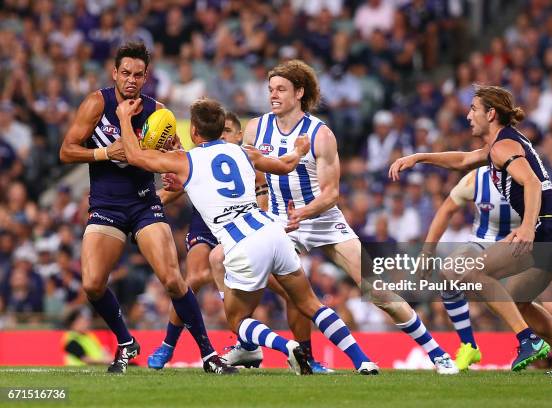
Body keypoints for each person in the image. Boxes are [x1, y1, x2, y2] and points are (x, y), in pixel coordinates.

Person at [219, 59, 458, 374]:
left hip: (323, 220)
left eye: (281, 89)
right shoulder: (255, 128)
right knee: (281, 292)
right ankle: (300, 359)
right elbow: (253, 178)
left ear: (299, 92)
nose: (273, 95)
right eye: (270, 89)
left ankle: (438, 354)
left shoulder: (320, 134)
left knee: (378, 290)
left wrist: (302, 213)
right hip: (280, 222)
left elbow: (331, 193)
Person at [118, 97, 379, 375]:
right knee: (310, 303)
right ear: (222, 129)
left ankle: (286, 347)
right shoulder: (244, 152)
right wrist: (300, 149)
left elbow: (134, 156)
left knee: (237, 319)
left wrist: (124, 117)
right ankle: (362, 360)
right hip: (271, 230)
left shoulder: (184, 160)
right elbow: (286, 164)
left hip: (241, 243)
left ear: (194, 132)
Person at [389, 84, 552, 375]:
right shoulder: (498, 145)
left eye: (474, 109)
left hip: (548, 225)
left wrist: (527, 227)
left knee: (474, 272)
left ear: (491, 113)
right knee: (519, 301)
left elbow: (533, 183)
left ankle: (528, 341)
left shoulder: (502, 147)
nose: (468, 115)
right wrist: (420, 157)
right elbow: (461, 160)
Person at [59, 42, 234, 374]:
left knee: (172, 279)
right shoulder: (98, 102)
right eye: (125, 73)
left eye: (138, 75)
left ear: (146, 77)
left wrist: (172, 164)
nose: (131, 80)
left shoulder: (159, 112)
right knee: (93, 284)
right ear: (114, 73)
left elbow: (178, 157)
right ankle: (127, 343)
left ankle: (209, 354)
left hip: (143, 203)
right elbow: (66, 150)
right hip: (106, 205)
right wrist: (102, 153)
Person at [147, 112, 329, 373]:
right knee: (195, 277)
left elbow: (262, 188)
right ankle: (169, 343)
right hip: (210, 223)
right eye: (220, 133)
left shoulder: (247, 155)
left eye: (228, 132)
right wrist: (151, 203)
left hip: (247, 230)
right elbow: (180, 187)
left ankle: (304, 355)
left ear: (238, 135)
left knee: (291, 293)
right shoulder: (203, 156)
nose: (222, 137)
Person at [422, 165, 552, 372]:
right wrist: (427, 251)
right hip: (485, 245)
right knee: (448, 272)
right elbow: (447, 206)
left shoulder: (529, 177)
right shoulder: (476, 179)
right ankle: (469, 345)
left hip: (527, 249)